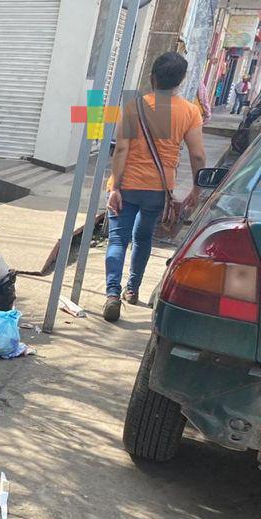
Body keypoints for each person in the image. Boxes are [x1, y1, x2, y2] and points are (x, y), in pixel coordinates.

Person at [104, 51, 207, 322]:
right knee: (143, 237)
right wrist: (197, 189)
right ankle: (132, 289)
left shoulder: (133, 107)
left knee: (118, 239)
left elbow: (121, 149)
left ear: (152, 77)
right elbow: (197, 155)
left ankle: (112, 294)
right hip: (159, 189)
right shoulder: (190, 111)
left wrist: (115, 187)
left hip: (127, 184)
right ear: (180, 81)